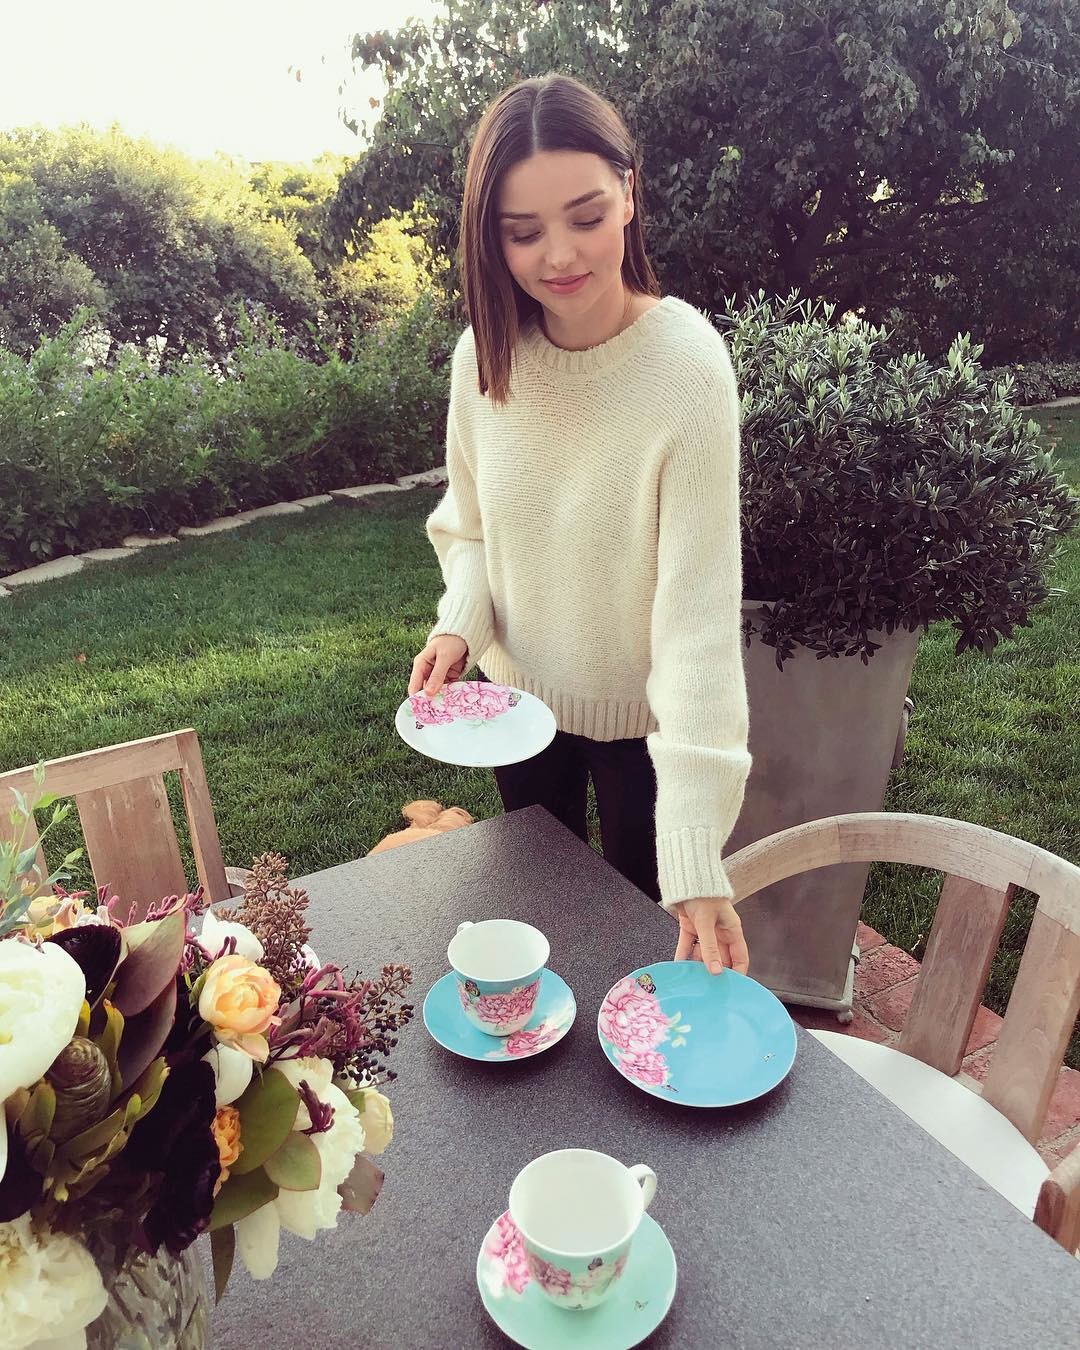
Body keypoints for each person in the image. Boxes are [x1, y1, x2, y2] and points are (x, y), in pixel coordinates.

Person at [408, 73, 752, 975]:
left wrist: (696, 849)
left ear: (629, 194)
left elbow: (698, 622)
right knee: (537, 934)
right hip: (516, 711)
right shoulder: (482, 359)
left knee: (643, 959)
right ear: (491, 237)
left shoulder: (688, 367)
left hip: (645, 730)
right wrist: (460, 623)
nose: (558, 255)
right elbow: (470, 528)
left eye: (586, 216)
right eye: (522, 232)